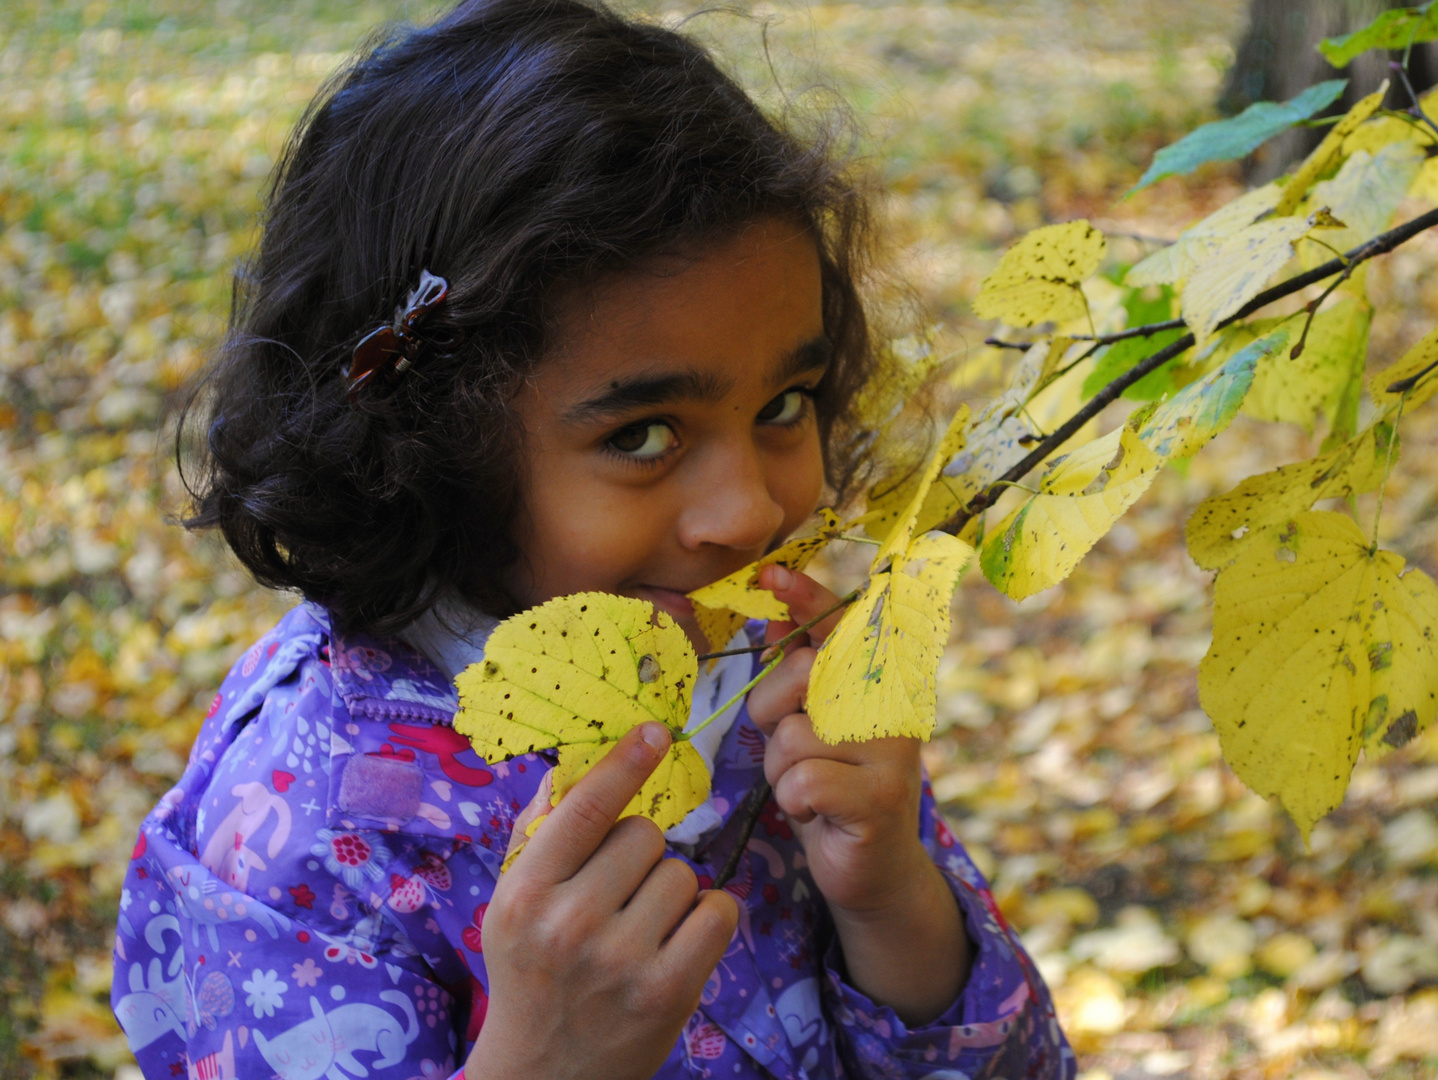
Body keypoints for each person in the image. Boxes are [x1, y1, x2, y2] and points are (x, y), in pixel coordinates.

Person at [111, 2, 1076, 1077]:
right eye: (645, 435)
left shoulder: (773, 694)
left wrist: (890, 895)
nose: (751, 512)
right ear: (431, 444)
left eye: (785, 404)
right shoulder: (301, 831)